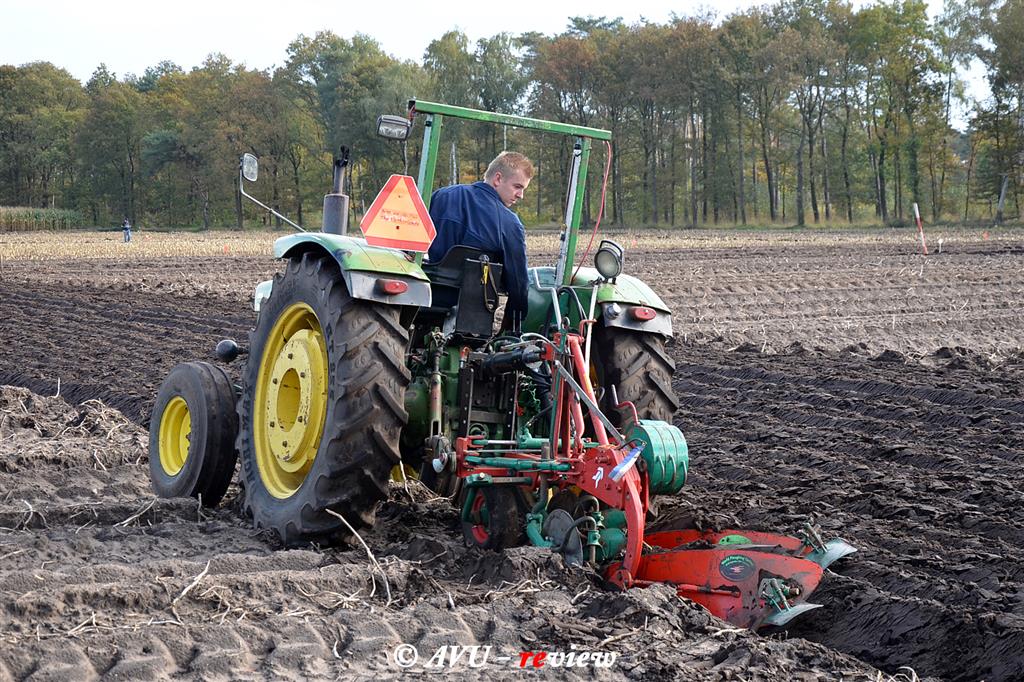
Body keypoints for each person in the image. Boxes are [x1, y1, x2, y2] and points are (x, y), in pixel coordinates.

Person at [427, 151, 534, 329]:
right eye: (517, 186)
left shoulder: (440, 196)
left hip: (425, 299)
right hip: (471, 314)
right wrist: (513, 326)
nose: (520, 195)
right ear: (498, 179)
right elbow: (518, 283)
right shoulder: (510, 223)